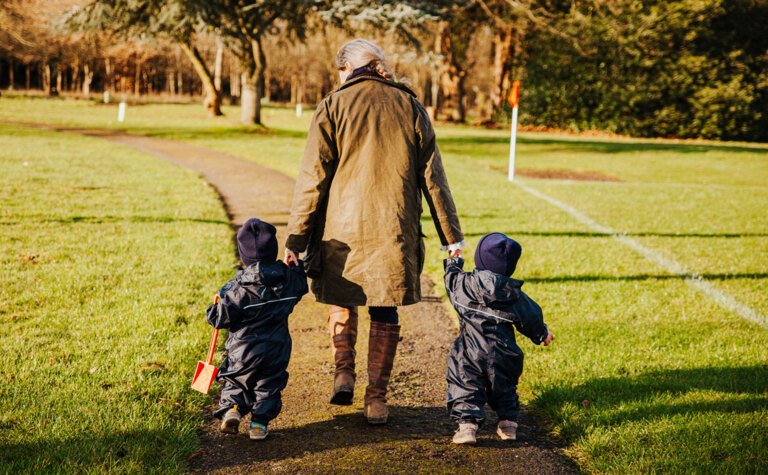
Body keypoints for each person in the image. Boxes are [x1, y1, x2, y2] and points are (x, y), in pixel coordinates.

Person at [284, 39, 464, 424]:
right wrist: (453, 239)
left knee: (343, 296)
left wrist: (295, 240)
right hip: (393, 228)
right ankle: (376, 399)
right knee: (385, 307)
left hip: (341, 231)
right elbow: (434, 180)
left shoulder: (333, 105)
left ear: (346, 67)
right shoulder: (410, 106)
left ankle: (343, 373)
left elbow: (312, 180)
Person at [443, 232, 555, 445]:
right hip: (504, 354)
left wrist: (454, 259)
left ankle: (467, 426)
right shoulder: (513, 294)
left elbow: (451, 279)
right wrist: (542, 334)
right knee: (504, 387)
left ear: (479, 260)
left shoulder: (465, 285)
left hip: (469, 353)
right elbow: (531, 317)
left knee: (465, 383)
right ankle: (508, 424)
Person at [206, 218, 308, 440]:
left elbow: (218, 319)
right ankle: (259, 425)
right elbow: (301, 286)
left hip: (243, 350)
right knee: (268, 386)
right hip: (277, 348)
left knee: (236, 381)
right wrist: (296, 268)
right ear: (273, 252)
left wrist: (213, 308)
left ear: (244, 257)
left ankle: (233, 410)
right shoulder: (288, 280)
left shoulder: (237, 288)